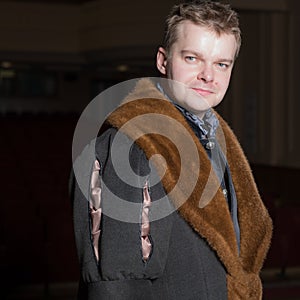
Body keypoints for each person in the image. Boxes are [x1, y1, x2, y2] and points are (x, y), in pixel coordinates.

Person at [71, 1, 273, 299]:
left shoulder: (217, 137)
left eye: (221, 64)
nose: (209, 75)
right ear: (163, 61)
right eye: (192, 58)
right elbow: (117, 284)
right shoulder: (129, 146)